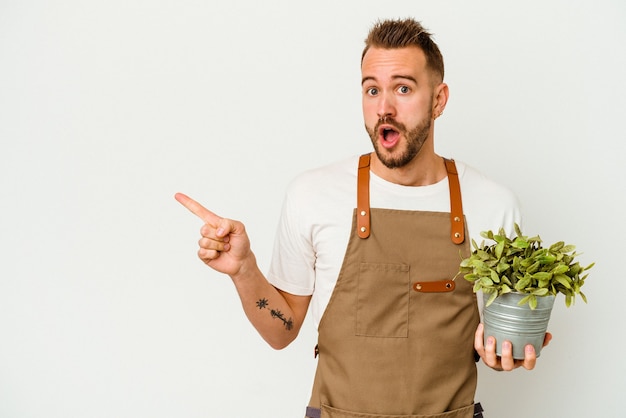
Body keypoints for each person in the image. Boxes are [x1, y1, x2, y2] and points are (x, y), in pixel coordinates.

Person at [175, 18, 551, 418]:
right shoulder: (313, 195)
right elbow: (280, 333)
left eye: (403, 89)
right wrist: (244, 270)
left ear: (439, 100)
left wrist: (504, 352)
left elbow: (503, 338)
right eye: (372, 89)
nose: (384, 108)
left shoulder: (493, 205)